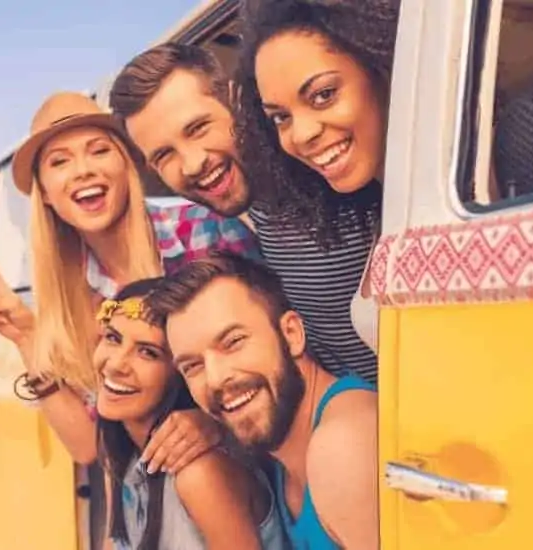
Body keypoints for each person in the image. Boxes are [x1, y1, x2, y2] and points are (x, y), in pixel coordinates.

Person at [0, 91, 260, 472]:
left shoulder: (203, 229)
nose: (83, 170)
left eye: (99, 150)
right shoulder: (72, 293)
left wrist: (214, 421)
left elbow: (287, 360)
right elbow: (88, 447)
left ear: (126, 165)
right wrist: (26, 338)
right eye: (60, 161)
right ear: (47, 195)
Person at [109, 0, 401, 385]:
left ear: (236, 102)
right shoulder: (255, 220)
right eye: (165, 155)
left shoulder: (342, 177)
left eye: (197, 128)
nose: (193, 162)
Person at [145, 253, 378, 550]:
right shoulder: (283, 450)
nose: (215, 379)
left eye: (233, 343)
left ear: (291, 334)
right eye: (193, 366)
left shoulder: (342, 445)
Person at [95, 277, 287, 550]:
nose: (115, 365)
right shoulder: (117, 448)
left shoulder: (199, 474)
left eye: (147, 353)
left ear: (182, 373)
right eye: (113, 338)